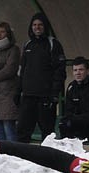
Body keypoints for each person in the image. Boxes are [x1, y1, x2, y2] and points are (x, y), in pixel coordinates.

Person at [15, 13, 65, 143]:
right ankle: (21, 158)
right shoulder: (28, 45)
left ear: (45, 26)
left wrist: (54, 94)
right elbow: (22, 70)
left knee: (47, 133)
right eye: (34, 25)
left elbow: (60, 71)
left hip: (45, 96)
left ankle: (47, 159)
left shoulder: (53, 44)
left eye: (40, 25)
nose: (37, 27)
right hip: (28, 96)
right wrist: (18, 91)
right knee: (22, 130)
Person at [59, 57, 89, 146]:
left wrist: (78, 118)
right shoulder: (71, 86)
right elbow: (68, 110)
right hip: (78, 122)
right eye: (75, 70)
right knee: (64, 123)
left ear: (88, 71)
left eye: (81, 70)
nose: (78, 73)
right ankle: (67, 153)